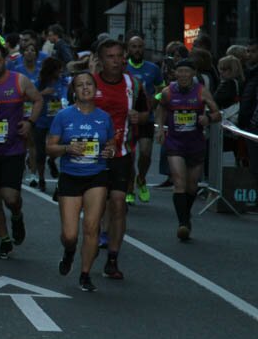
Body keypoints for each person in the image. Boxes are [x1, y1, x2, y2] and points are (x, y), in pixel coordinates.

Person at [46, 72, 116, 292]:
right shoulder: (63, 116)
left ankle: (85, 274)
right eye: (80, 85)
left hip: (96, 175)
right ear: (73, 91)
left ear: (95, 88)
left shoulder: (104, 117)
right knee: (70, 235)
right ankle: (69, 252)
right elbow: (49, 148)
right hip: (70, 176)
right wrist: (67, 148)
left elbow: (111, 144)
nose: (85, 88)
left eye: (89, 84)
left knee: (91, 228)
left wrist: (110, 151)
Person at [0, 44, 42, 260]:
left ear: (4, 60)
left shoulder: (18, 80)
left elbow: (38, 99)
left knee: (10, 197)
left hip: (13, 149)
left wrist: (30, 122)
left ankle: (16, 215)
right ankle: (5, 240)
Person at [93, 39, 148, 279]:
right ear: (100, 60)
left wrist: (140, 117)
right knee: (95, 206)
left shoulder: (133, 84)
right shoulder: (88, 84)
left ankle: (113, 259)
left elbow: (146, 112)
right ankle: (88, 242)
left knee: (117, 204)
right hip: (92, 155)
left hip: (121, 154)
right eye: (110, 56)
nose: (116, 61)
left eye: (119, 56)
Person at [155, 59, 222, 240]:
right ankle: (183, 223)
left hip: (195, 143)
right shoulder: (168, 92)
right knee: (179, 182)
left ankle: (186, 215)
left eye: (187, 71)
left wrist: (208, 118)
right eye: (180, 71)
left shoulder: (201, 91)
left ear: (193, 74)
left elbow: (217, 113)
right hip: (175, 143)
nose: (183, 75)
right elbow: (160, 109)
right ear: (175, 74)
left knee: (192, 186)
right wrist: (160, 128)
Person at [125, 35, 165, 204]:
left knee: (146, 153)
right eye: (134, 46)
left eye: (140, 46)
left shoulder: (153, 68)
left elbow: (161, 89)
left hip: (146, 117)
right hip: (128, 119)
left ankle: (141, 179)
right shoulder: (123, 68)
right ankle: (129, 189)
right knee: (129, 156)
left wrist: (154, 101)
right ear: (128, 49)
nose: (137, 50)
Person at [32, 57, 69, 192]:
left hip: (56, 121)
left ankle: (52, 160)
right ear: (51, 70)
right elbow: (31, 97)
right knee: (40, 152)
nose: (60, 72)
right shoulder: (39, 83)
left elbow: (66, 94)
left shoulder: (62, 82)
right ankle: (41, 178)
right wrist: (43, 93)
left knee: (58, 146)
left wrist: (64, 101)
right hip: (41, 120)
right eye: (58, 69)